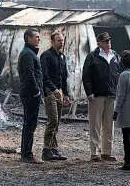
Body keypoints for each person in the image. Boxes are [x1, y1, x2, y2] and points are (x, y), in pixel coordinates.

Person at [82, 32, 122, 162]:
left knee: (109, 125)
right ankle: (94, 153)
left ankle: (106, 152)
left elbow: (119, 73)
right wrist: (89, 92)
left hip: (111, 94)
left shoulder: (115, 56)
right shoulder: (92, 57)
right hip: (97, 95)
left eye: (109, 40)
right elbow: (86, 76)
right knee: (95, 124)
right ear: (99, 43)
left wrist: (117, 91)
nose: (108, 43)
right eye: (106, 41)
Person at [40, 31, 70, 161]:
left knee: (57, 121)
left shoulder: (62, 57)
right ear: (52, 42)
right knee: (52, 120)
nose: (61, 42)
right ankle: (46, 150)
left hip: (59, 91)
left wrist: (66, 94)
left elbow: (64, 77)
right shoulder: (46, 56)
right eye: (58, 40)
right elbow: (44, 76)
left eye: (62, 40)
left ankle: (54, 148)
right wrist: (54, 89)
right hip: (50, 90)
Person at [17, 28, 43, 164]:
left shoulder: (30, 53)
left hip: (30, 92)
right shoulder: (27, 54)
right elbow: (29, 74)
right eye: (36, 37)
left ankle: (25, 153)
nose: (39, 39)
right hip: (30, 93)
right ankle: (27, 154)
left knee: (29, 123)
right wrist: (36, 90)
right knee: (30, 124)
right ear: (28, 39)